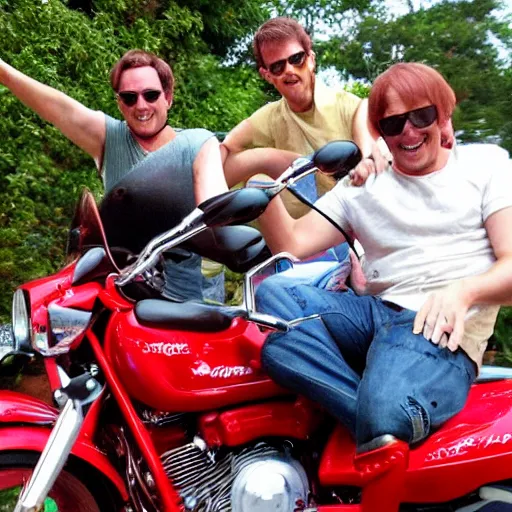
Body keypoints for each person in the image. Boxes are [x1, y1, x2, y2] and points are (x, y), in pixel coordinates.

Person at [219, 62, 512, 448]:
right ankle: (378, 418)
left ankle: (381, 414)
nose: (408, 131)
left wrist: (462, 293)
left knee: (313, 369)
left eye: (421, 115)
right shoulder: (364, 184)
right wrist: (260, 185)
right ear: (380, 133)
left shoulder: (485, 164)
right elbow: (292, 244)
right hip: (372, 315)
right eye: (392, 124)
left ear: (443, 114)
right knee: (275, 306)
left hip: (434, 328)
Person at [0, 50, 225, 302]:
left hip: (182, 298)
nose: (141, 105)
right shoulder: (110, 138)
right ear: (119, 103)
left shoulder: (197, 143)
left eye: (151, 95)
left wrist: (222, 226)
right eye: (129, 98)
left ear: (168, 97)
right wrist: (4, 72)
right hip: (117, 290)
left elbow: (216, 208)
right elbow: (58, 107)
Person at [222, 16, 388, 218]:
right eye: (277, 67)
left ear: (311, 60)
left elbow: (373, 152)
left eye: (296, 59)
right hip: (305, 231)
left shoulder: (351, 108)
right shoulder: (268, 118)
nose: (289, 70)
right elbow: (225, 147)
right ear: (267, 75)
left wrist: (368, 159)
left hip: (358, 220)